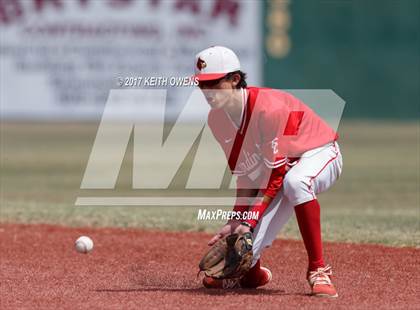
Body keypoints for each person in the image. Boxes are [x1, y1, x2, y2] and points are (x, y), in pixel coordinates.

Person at [195, 46, 343, 298]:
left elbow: (276, 177)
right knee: (241, 255)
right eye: (201, 85)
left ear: (235, 80)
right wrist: (236, 221)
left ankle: (318, 269)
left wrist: (249, 221)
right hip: (281, 170)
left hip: (318, 152)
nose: (206, 91)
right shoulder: (217, 119)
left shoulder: (268, 109)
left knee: (296, 182)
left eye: (213, 83)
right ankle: (253, 272)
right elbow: (247, 174)